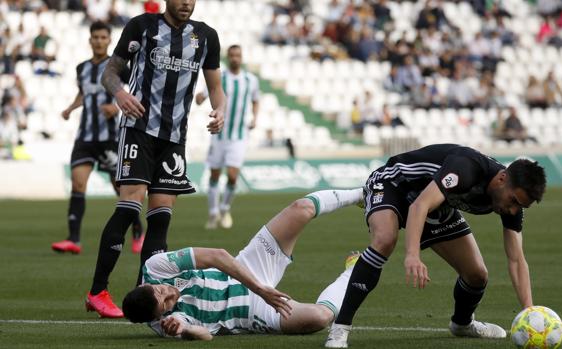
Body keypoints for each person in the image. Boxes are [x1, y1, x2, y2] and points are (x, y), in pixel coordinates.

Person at [325, 144, 547, 348]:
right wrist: (412, 255)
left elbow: (516, 260)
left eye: (521, 206)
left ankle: (462, 324)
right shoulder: (466, 169)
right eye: (514, 201)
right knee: (384, 240)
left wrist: (530, 313)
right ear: (502, 179)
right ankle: (340, 329)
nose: (513, 210)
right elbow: (419, 206)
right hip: (395, 184)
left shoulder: (512, 206)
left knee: (477, 275)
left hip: (435, 204)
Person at [86, 0, 226, 318]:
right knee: (129, 206)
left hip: (174, 138)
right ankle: (97, 292)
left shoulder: (206, 36)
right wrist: (121, 94)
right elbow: (110, 74)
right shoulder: (142, 26)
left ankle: (144, 293)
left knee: (160, 218)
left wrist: (221, 110)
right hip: (138, 129)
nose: (187, 3)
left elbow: (215, 87)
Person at [122, 188, 364, 340]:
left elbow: (217, 256)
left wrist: (260, 287)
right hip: (251, 311)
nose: (170, 294)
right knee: (319, 318)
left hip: (248, 268)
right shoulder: (164, 323)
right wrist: (184, 331)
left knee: (301, 209)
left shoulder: (155, 267)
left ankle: (363, 193)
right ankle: (353, 269)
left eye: (161, 290)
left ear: (147, 284)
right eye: (166, 303)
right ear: (156, 316)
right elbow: (205, 335)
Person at [50, 22, 144, 255]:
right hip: (85, 137)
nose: (99, 41)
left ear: (109, 40)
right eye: (96, 37)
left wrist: (117, 107)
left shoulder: (118, 67)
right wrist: (71, 108)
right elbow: (84, 92)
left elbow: (137, 89)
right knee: (78, 183)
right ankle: (73, 239)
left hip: (110, 137)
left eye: (103, 37)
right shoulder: (81, 68)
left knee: (120, 189)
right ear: (90, 40)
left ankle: (138, 232)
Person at [195, 45, 260, 230]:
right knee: (215, 174)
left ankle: (224, 209)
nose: (235, 58)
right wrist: (199, 97)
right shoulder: (220, 77)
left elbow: (256, 99)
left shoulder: (251, 80)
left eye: (238, 55)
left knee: (232, 176)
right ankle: (213, 213)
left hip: (239, 136)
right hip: (219, 135)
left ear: (241, 57)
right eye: (232, 55)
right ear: (228, 57)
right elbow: (206, 93)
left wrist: (255, 117)